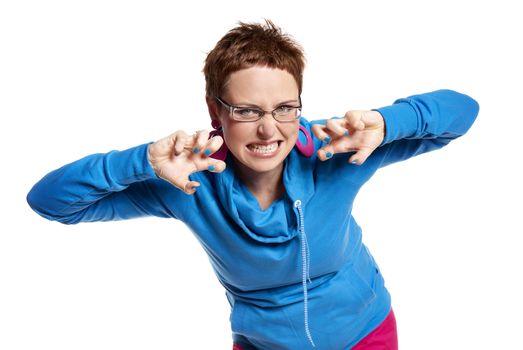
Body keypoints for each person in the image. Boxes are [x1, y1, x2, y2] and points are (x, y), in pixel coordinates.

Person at [26, 19, 479, 349]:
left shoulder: (336, 148)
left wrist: (387, 123)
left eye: (285, 107)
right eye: (247, 111)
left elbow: (462, 112)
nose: (270, 130)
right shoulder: (187, 180)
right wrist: (139, 161)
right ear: (215, 110)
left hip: (366, 333)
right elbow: (50, 202)